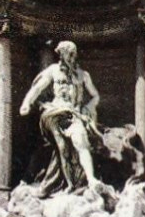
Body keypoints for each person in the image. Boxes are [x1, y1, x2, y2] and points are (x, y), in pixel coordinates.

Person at [19, 40, 103, 195]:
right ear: (61, 54)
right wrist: (26, 103)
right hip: (55, 113)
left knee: (81, 140)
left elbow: (95, 96)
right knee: (62, 147)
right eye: (68, 53)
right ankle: (63, 182)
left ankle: (91, 180)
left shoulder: (84, 75)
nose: (72, 57)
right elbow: (37, 88)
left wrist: (88, 107)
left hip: (74, 114)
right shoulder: (53, 70)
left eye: (73, 53)